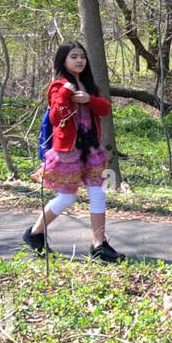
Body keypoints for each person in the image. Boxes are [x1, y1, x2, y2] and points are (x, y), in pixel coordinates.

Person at [22, 42, 123, 262]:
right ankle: (35, 233)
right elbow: (57, 115)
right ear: (63, 61)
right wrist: (67, 93)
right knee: (67, 198)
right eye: (73, 57)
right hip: (69, 152)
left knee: (98, 193)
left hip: (91, 149)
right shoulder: (58, 85)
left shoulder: (88, 85)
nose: (79, 61)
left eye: (82, 57)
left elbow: (105, 109)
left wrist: (89, 99)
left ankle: (99, 244)